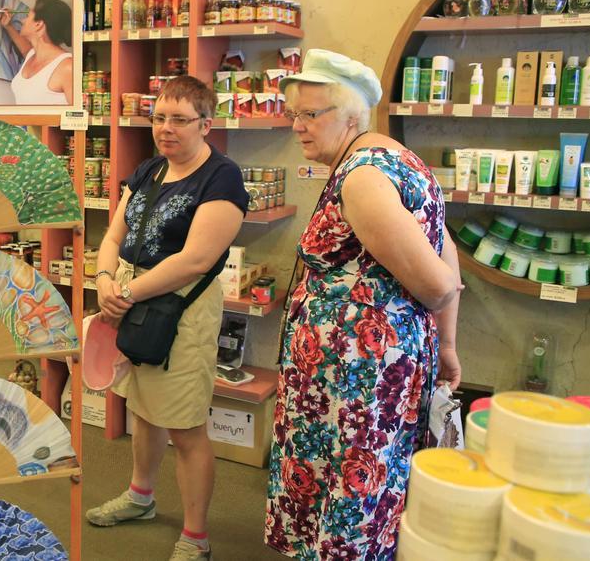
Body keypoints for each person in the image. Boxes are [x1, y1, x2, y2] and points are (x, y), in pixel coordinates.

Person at [264, 50, 463, 559]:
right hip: (360, 374)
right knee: (369, 479)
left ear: (352, 116)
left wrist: (434, 321)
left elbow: (438, 282)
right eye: (294, 115)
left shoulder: (362, 176)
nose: (298, 127)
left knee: (351, 480)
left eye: (311, 114)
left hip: (357, 380)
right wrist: (447, 343)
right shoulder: (394, 158)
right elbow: (446, 248)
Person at [84, 76, 247, 561]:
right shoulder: (151, 169)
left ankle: (196, 537)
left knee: (185, 424)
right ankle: (140, 497)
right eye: (159, 118)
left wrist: (126, 292)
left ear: (206, 123)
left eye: (179, 119)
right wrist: (105, 278)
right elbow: (114, 234)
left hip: (180, 310)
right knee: (143, 407)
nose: (166, 129)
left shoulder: (221, 177)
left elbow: (197, 259)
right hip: (131, 302)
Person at [0, 0, 74, 105]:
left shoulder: (67, 67)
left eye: (27, 16)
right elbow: (26, 49)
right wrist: (8, 27)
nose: (22, 20)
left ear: (39, 24)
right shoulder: (32, 55)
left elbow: (78, 118)